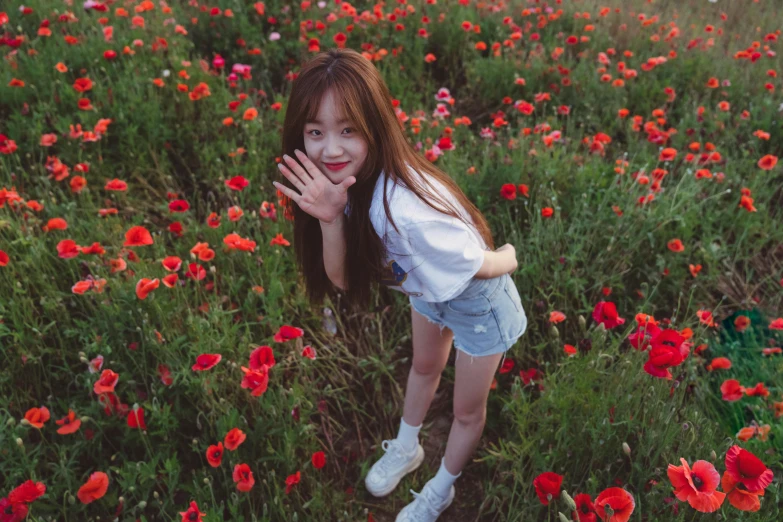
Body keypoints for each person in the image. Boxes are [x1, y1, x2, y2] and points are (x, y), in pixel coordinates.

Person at [273, 48, 527, 522]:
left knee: (467, 410)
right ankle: (408, 448)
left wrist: (510, 256)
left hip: (478, 301)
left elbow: (480, 264)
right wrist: (329, 219)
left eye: (348, 129)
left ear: (375, 124)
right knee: (424, 367)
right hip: (427, 290)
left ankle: (441, 489)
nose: (330, 149)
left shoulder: (409, 214)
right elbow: (345, 279)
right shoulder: (346, 185)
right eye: (316, 132)